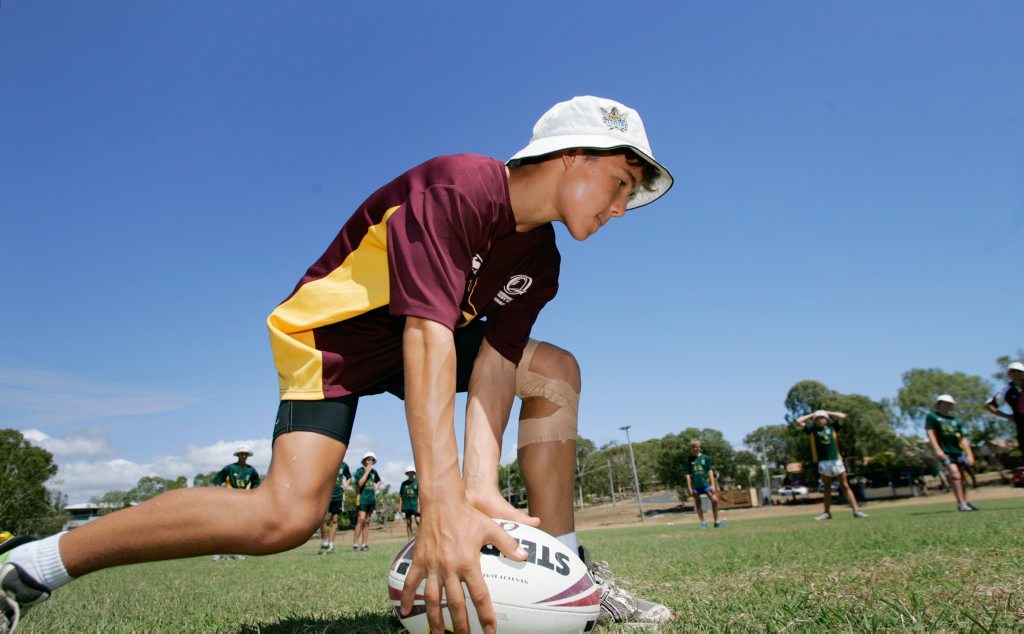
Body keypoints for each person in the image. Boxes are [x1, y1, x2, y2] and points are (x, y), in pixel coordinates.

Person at [0, 95, 674, 634]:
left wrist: (480, 490)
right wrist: (440, 503)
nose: (621, 208)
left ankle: (571, 570)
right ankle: (31, 565)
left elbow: (495, 366)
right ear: (572, 155)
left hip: (427, 338)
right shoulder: (461, 184)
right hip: (336, 338)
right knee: (283, 518)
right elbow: (427, 337)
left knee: (553, 370)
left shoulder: (542, 261)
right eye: (618, 184)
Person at [792, 410, 869, 521]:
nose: (820, 420)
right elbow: (799, 421)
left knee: (845, 486)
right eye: (817, 419)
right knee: (827, 488)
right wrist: (813, 414)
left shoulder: (833, 427)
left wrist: (827, 412)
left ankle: (857, 511)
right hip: (823, 462)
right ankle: (827, 513)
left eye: (822, 418)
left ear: (827, 419)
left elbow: (843, 416)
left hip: (836, 461)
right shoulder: (812, 430)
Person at [926, 394, 978, 512]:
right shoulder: (932, 417)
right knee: (955, 475)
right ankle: (961, 503)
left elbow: (962, 438)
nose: (946, 406)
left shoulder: (955, 420)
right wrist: (937, 450)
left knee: (963, 477)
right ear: (938, 404)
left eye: (949, 404)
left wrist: (969, 454)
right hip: (945, 451)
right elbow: (930, 433)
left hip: (958, 452)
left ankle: (966, 501)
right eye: (944, 403)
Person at [210, 445, 262, 561]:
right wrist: (219, 495)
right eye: (241, 454)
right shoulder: (230, 468)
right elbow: (217, 482)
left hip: (243, 501)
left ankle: (236, 552)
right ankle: (218, 553)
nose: (243, 456)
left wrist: (252, 494)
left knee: (240, 527)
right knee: (224, 527)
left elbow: (257, 484)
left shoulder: (251, 470)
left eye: (245, 454)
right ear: (238, 455)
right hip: (228, 500)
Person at [985, 361, 1024, 453]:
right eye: (1012, 371)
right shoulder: (1006, 391)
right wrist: (1007, 416)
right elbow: (989, 405)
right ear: (1009, 374)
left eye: (1019, 371)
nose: (1016, 374)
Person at [684, 440, 723, 529]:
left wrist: (713, 484)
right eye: (693, 447)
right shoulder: (688, 460)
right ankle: (703, 522)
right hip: (696, 486)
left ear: (700, 447)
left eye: (697, 447)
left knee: (714, 500)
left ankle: (717, 521)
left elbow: (710, 471)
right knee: (698, 503)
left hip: (705, 484)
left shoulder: (706, 458)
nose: (695, 448)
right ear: (691, 448)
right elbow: (688, 475)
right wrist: (689, 488)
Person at [317, 461, 352, 555]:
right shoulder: (326, 462)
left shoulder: (344, 465)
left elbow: (349, 478)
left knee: (335, 521)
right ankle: (324, 542)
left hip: (338, 496)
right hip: (325, 496)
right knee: (321, 518)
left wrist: (346, 485)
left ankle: (331, 545)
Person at [351, 452, 381, 552]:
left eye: (372, 460)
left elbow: (379, 480)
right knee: (361, 519)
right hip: (362, 498)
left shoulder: (374, 472)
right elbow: (359, 484)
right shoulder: (359, 471)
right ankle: (355, 544)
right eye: (368, 459)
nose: (370, 462)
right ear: (364, 461)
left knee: (367, 521)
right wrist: (367, 472)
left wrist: (377, 485)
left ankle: (364, 545)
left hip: (371, 499)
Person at [399, 466, 420, 540]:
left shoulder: (417, 482)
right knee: (408, 522)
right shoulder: (404, 484)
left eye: (412, 472)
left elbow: (419, 495)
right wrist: (400, 506)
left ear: (414, 473)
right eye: (409, 473)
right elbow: (401, 496)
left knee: (418, 521)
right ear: (407, 474)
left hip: (415, 505)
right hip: (407, 506)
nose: (410, 474)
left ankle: (421, 537)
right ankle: (409, 539)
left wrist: (419, 506)